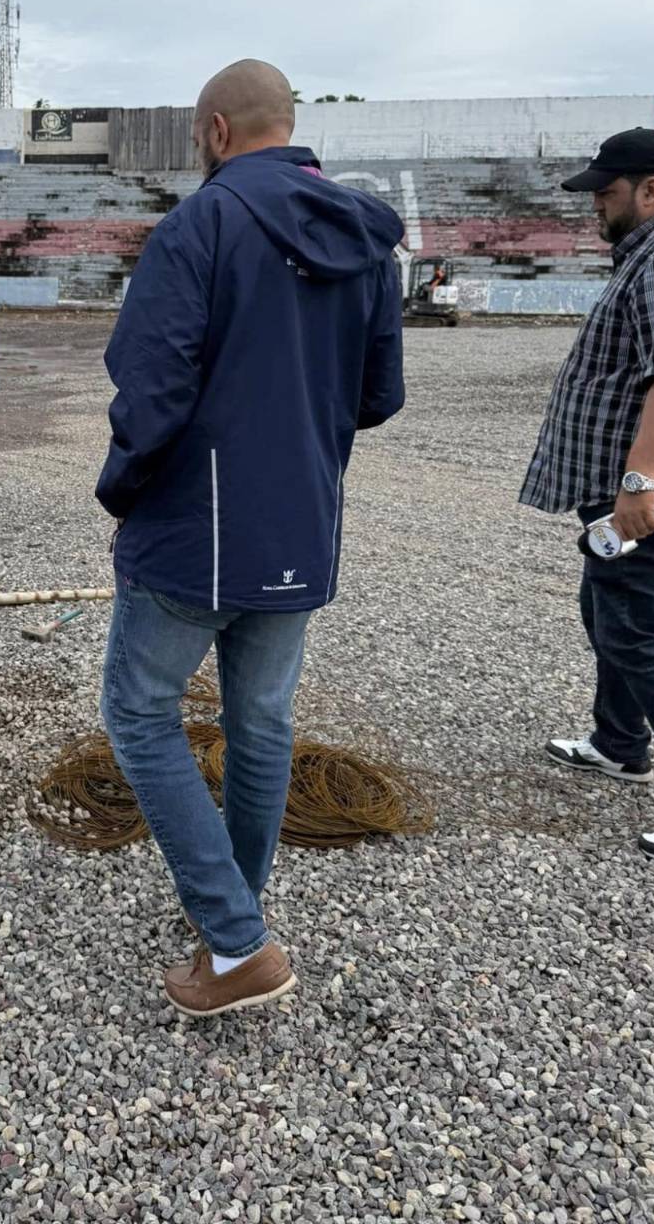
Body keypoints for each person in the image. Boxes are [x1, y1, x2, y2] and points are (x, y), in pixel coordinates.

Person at [96, 59, 406, 1016]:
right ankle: (238, 912)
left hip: (195, 526)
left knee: (140, 713)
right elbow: (379, 396)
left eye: (201, 138)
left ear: (219, 131)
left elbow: (153, 387)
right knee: (261, 723)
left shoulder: (202, 224)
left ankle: (236, 944)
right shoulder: (367, 241)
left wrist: (124, 488)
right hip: (301, 522)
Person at [521, 127, 654, 866]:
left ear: (650, 190)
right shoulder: (650, 255)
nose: (596, 205)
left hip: (651, 496)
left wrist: (639, 482)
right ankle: (619, 743)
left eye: (606, 192)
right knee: (609, 612)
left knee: (635, 631)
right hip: (624, 491)